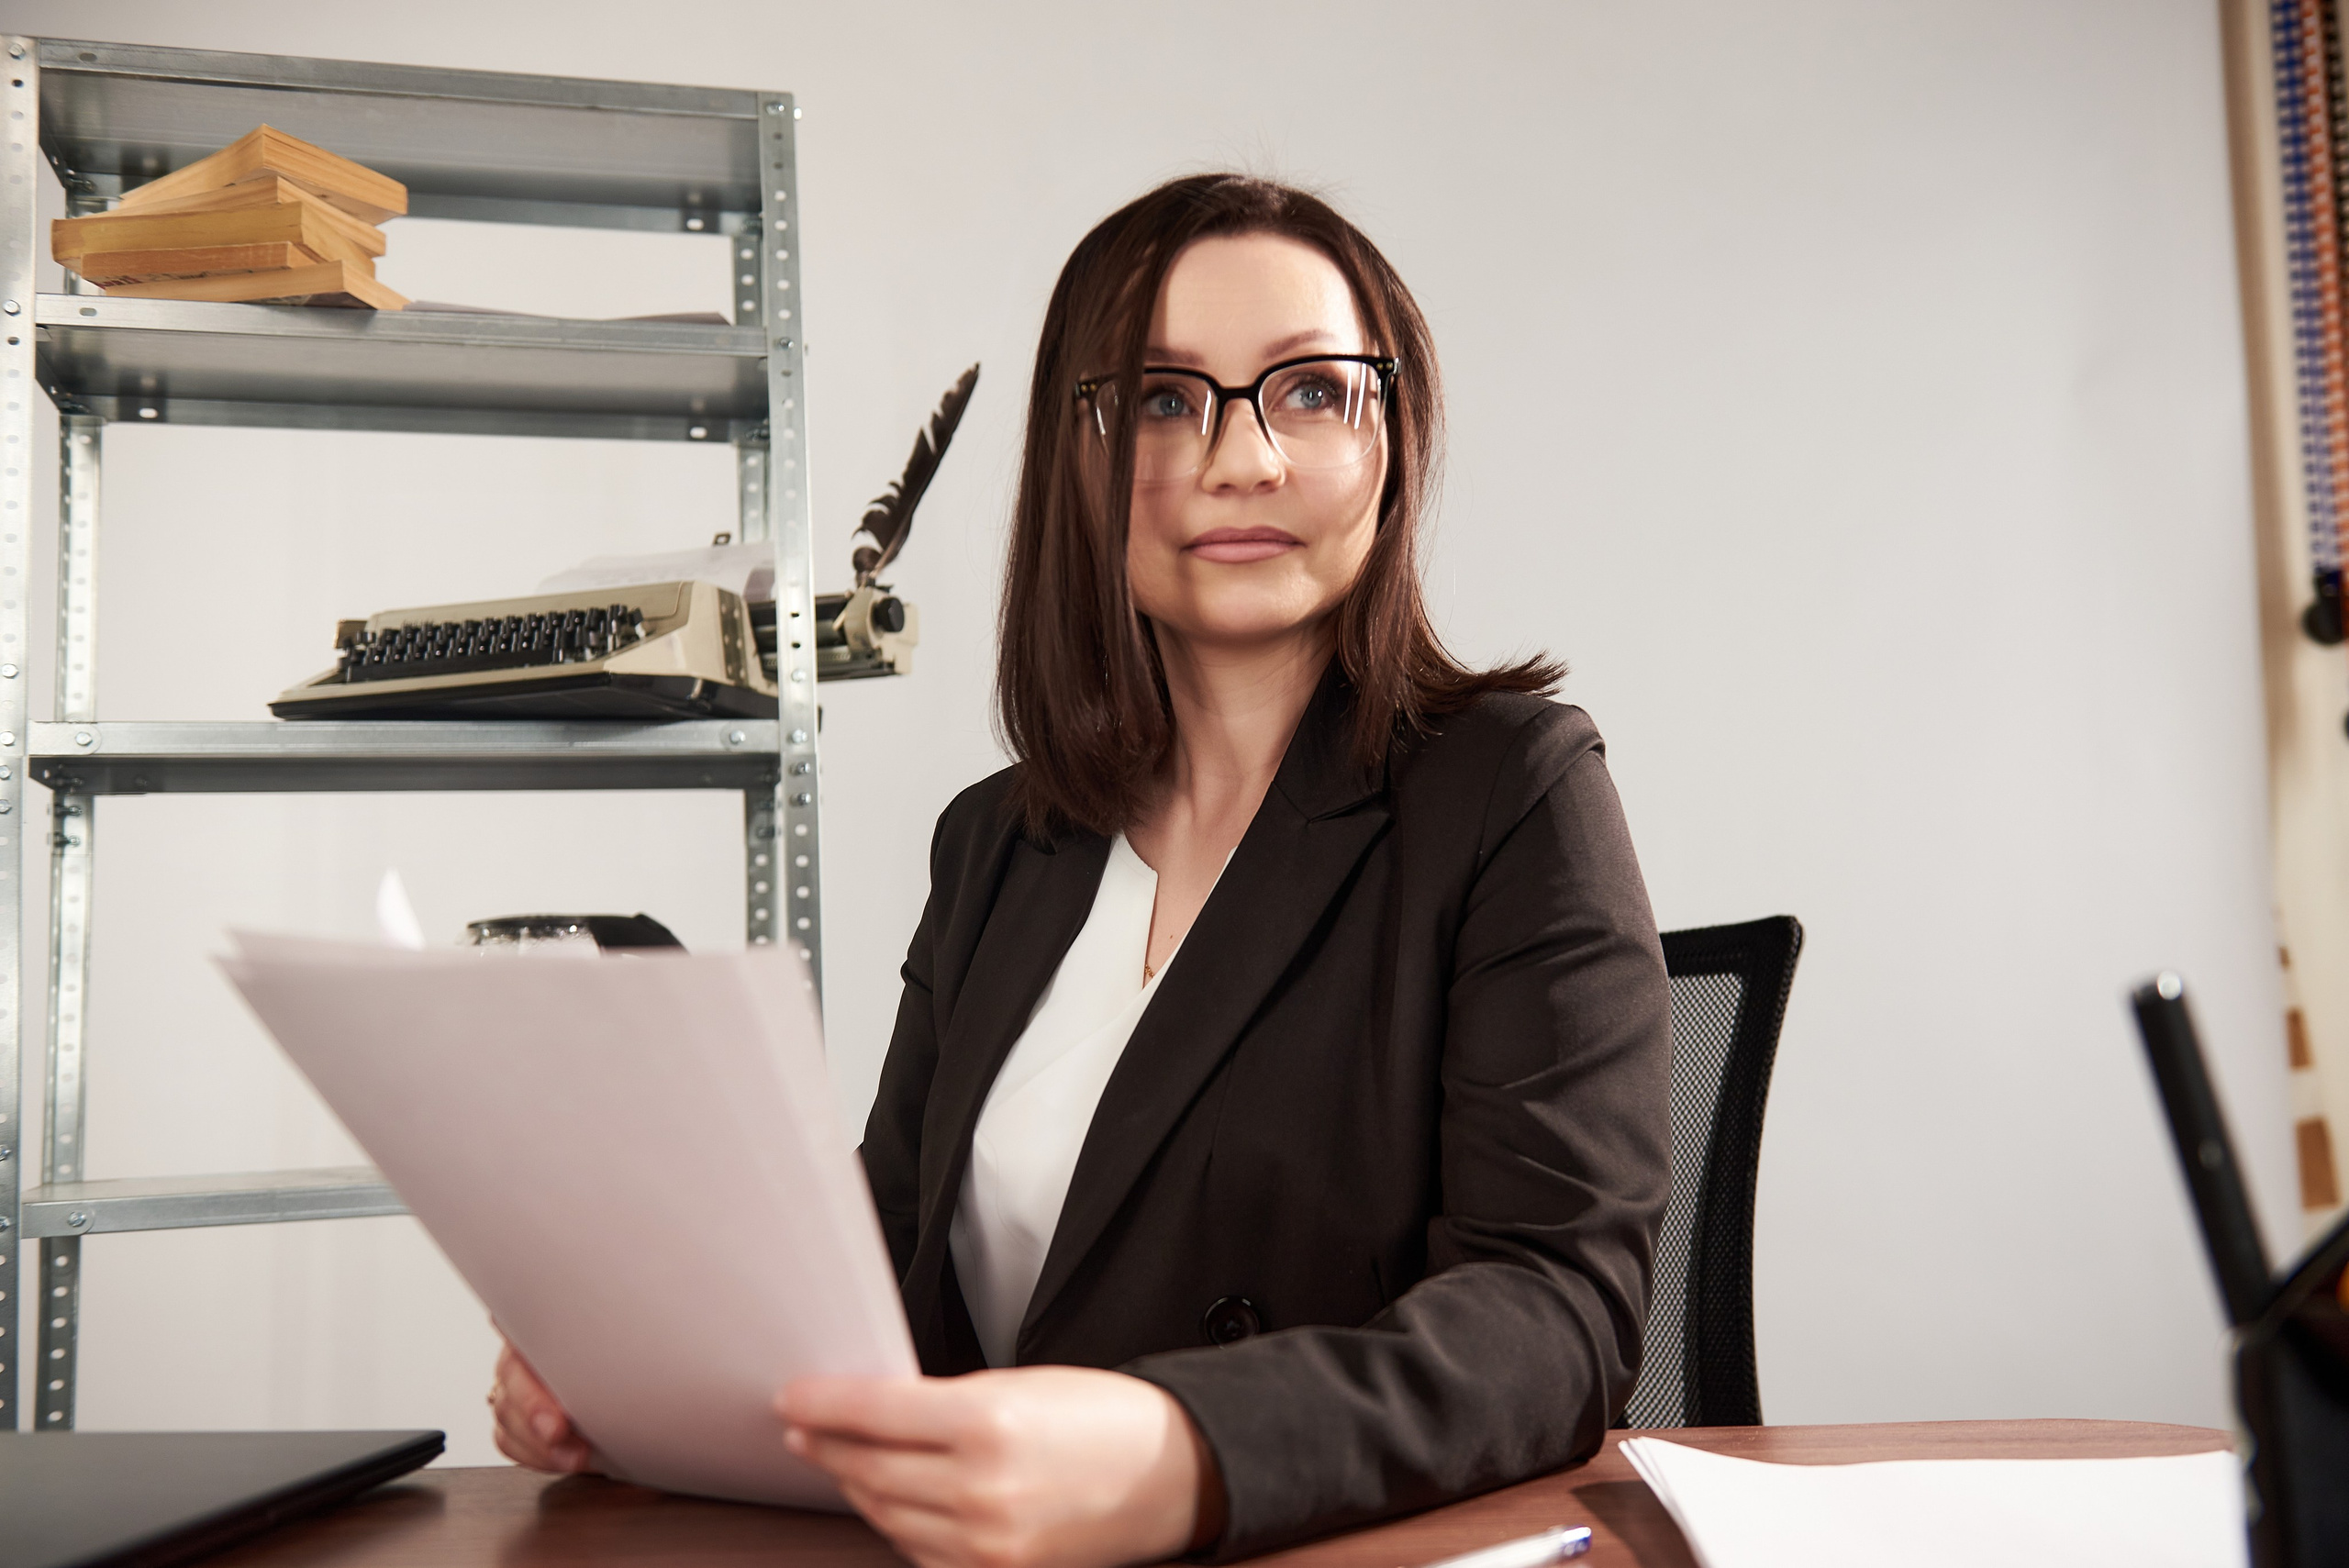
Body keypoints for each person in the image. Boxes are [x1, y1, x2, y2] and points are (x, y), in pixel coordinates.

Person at [489, 172, 1672, 1568]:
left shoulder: (1511, 789)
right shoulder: (999, 842)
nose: (1247, 459)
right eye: (1165, 400)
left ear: (1391, 435)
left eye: (1309, 390)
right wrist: (648, 1370)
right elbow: (890, 1256)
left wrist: (1179, 1451)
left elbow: (1556, 1308)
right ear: (1078, 456)